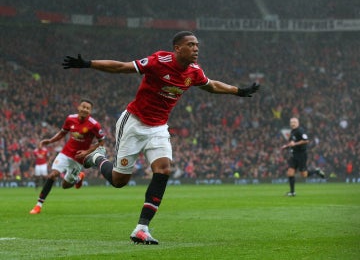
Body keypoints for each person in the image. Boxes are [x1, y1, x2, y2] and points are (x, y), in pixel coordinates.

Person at [62, 30, 260, 244]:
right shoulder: (159, 61)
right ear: (178, 48)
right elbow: (122, 67)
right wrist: (88, 64)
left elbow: (211, 85)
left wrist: (237, 91)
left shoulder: (194, 71)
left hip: (158, 128)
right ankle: (97, 158)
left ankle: (142, 228)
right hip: (134, 123)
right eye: (191, 45)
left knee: (164, 169)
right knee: (119, 181)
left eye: (197, 45)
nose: (196, 49)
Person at [29, 99, 106, 214]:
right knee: (52, 175)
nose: (85, 109)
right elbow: (62, 133)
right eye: (83, 107)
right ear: (78, 107)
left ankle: (79, 178)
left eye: (87, 108)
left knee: (65, 185)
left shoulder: (94, 125)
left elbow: (101, 143)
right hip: (65, 153)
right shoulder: (70, 118)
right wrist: (49, 141)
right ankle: (38, 205)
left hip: (78, 159)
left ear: (90, 111)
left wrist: (86, 152)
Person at [281, 117, 325, 197]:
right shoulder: (292, 132)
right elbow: (292, 143)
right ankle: (292, 192)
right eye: (291, 122)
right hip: (294, 155)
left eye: (294, 122)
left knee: (304, 174)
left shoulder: (300, 131)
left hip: (301, 155)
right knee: (290, 172)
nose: (292, 123)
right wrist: (286, 146)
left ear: (298, 123)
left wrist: (295, 144)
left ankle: (316, 171)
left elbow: (306, 140)